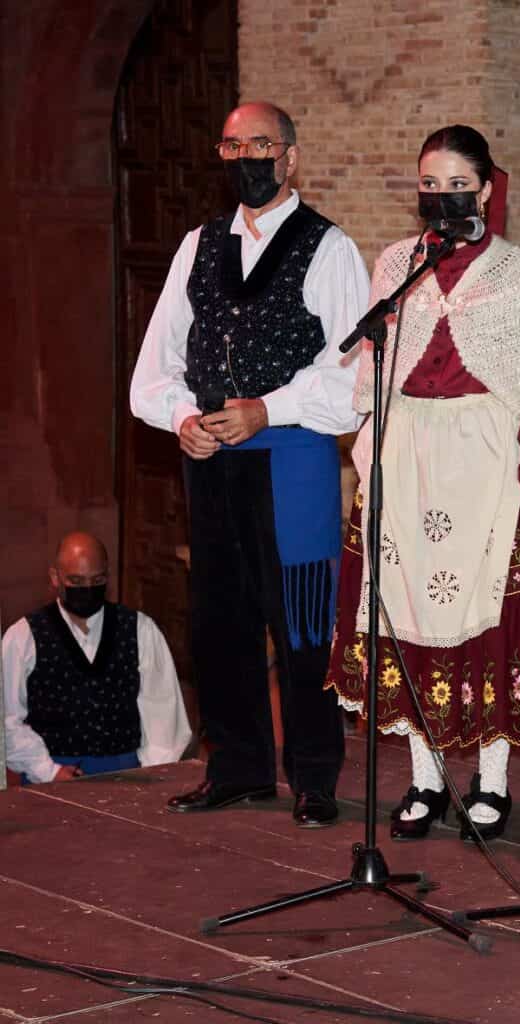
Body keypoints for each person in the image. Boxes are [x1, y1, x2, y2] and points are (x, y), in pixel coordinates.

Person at [130, 102, 368, 828]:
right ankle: (236, 768)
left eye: (260, 144)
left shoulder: (329, 248)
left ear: (290, 157)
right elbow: (154, 368)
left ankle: (315, 777)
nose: (247, 158)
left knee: (300, 624)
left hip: (291, 458)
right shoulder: (196, 245)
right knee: (219, 621)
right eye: (233, 145)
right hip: (211, 463)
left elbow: (355, 377)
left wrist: (271, 407)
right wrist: (180, 420)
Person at [324, 125, 520, 842]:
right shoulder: (398, 262)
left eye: (457, 184)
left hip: (482, 455)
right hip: (409, 451)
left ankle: (491, 781)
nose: (442, 196)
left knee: (482, 622)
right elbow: (376, 370)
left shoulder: (519, 275)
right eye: (429, 184)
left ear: (486, 188)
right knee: (405, 618)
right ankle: (425, 780)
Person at [3, 533, 191, 784]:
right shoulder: (23, 636)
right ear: (55, 577)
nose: (87, 589)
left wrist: (149, 776)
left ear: (107, 577)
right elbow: (6, 718)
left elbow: (165, 715)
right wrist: (47, 770)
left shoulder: (140, 630)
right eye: (76, 581)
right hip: (52, 776)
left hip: (127, 772)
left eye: (97, 580)